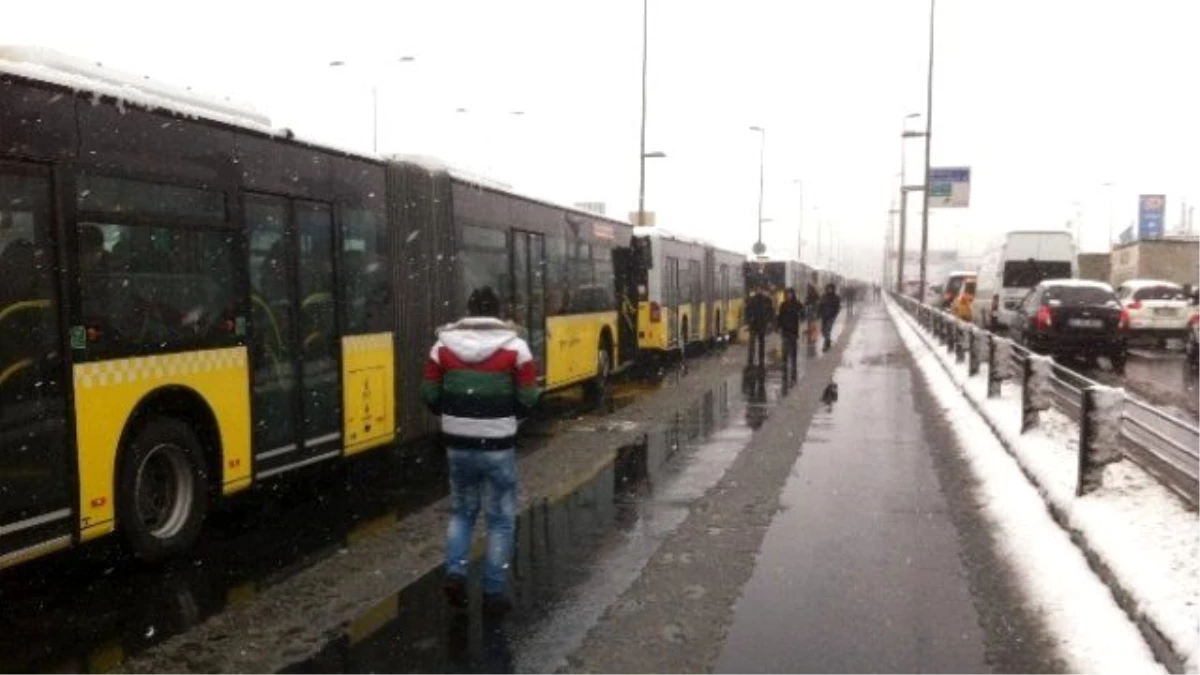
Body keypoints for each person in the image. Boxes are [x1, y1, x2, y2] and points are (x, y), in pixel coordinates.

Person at [422, 286, 542, 616]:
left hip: (457, 444)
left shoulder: (441, 347)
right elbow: (529, 397)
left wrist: (453, 416)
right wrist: (509, 415)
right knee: (500, 519)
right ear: (499, 312)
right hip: (498, 444)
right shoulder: (517, 348)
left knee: (462, 512)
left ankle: (456, 573)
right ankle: (492, 593)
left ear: (469, 310)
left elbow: (429, 394)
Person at [776, 287, 803, 381]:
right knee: (785, 348)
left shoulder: (797, 304)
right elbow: (780, 317)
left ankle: (793, 364)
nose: (789, 295)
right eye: (787, 294)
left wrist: (801, 315)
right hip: (785, 330)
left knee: (793, 348)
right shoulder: (783, 305)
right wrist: (778, 326)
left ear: (793, 294)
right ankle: (785, 363)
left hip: (793, 330)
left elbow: (802, 313)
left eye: (790, 294)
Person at [745, 287, 774, 366]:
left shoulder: (766, 300)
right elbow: (747, 311)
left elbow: (771, 311)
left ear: (762, 290)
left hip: (762, 324)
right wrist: (748, 320)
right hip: (754, 324)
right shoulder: (752, 300)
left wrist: (769, 321)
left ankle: (761, 358)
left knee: (761, 342)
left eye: (760, 289)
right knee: (752, 343)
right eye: (757, 289)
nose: (759, 291)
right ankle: (751, 358)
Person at [818, 283, 842, 352]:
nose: (829, 290)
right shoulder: (824, 296)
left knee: (827, 330)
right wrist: (819, 313)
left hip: (831, 316)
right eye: (828, 288)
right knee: (823, 331)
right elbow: (820, 305)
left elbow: (838, 307)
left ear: (833, 289)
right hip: (824, 316)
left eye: (831, 288)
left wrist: (834, 314)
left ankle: (825, 345)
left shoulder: (836, 297)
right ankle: (828, 341)